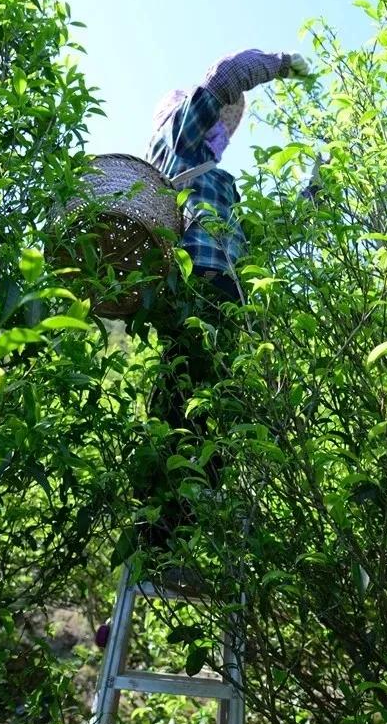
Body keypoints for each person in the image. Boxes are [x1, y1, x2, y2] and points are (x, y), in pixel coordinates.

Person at [131, 48, 311, 554]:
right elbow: (225, 77)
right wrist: (285, 65)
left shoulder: (213, 178)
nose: (221, 133)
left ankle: (180, 534)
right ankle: (158, 533)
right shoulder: (178, 144)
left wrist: (313, 193)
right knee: (181, 403)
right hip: (197, 284)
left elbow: (266, 239)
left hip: (224, 295)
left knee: (206, 412)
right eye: (219, 125)